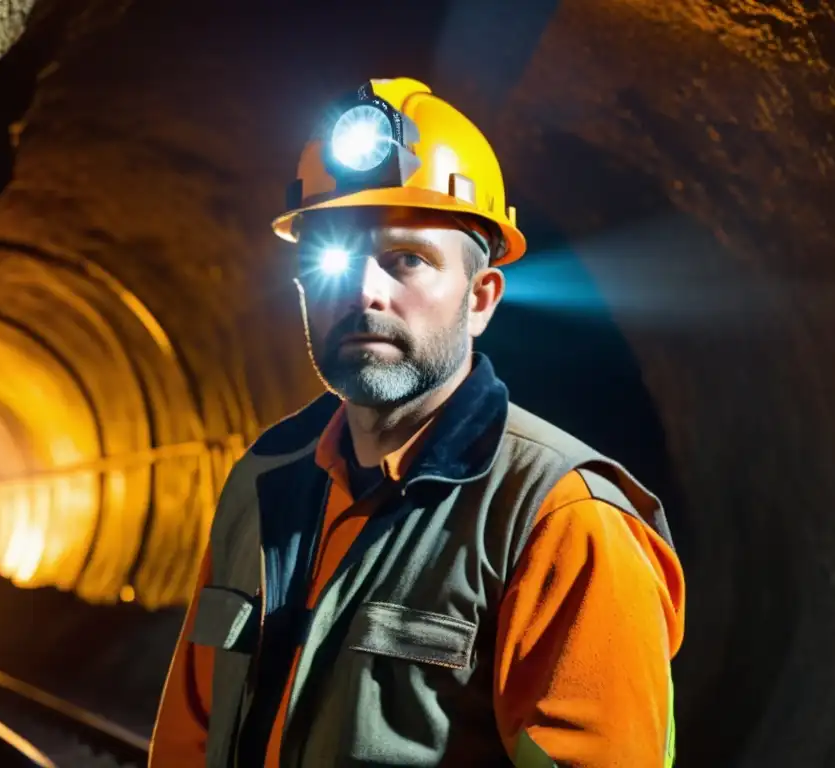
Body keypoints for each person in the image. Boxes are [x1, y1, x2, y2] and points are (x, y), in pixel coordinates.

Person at [150, 77, 685, 768]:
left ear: (481, 297)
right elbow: (186, 743)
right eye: (333, 258)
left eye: (408, 259)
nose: (365, 288)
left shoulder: (562, 523)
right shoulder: (261, 484)